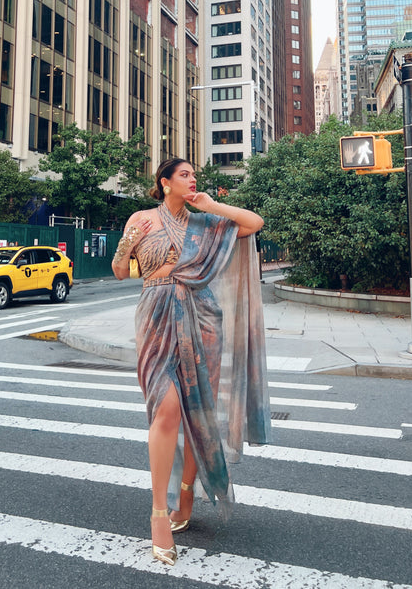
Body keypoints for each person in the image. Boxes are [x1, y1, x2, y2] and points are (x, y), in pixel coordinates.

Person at [112, 158, 271, 567]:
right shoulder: (142, 218)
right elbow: (117, 271)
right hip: (155, 311)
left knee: (195, 411)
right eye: (184, 175)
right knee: (165, 411)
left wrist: (210, 205)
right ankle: (159, 513)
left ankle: (186, 494)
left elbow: (254, 223)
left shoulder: (204, 224)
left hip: (202, 317)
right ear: (164, 182)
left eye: (193, 175)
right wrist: (129, 241)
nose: (191, 179)